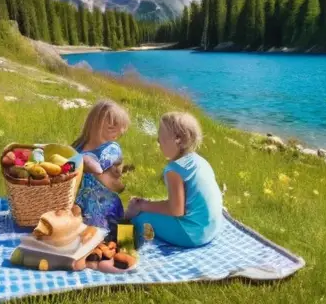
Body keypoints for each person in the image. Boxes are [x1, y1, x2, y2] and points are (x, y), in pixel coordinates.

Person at [125, 112, 222, 248]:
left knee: (140, 218)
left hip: (194, 235)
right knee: (150, 210)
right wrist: (149, 204)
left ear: (178, 139)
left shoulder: (174, 170)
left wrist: (142, 206)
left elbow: (176, 210)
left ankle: (124, 248)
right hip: (212, 228)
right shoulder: (200, 161)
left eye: (162, 137)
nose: (158, 141)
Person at [73, 99, 130, 230]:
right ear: (94, 123)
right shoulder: (79, 145)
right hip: (80, 204)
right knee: (83, 238)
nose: (119, 132)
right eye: (113, 126)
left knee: (110, 238)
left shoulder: (112, 148)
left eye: (119, 128)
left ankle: (126, 244)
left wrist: (77, 159)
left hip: (103, 206)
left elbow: (98, 166)